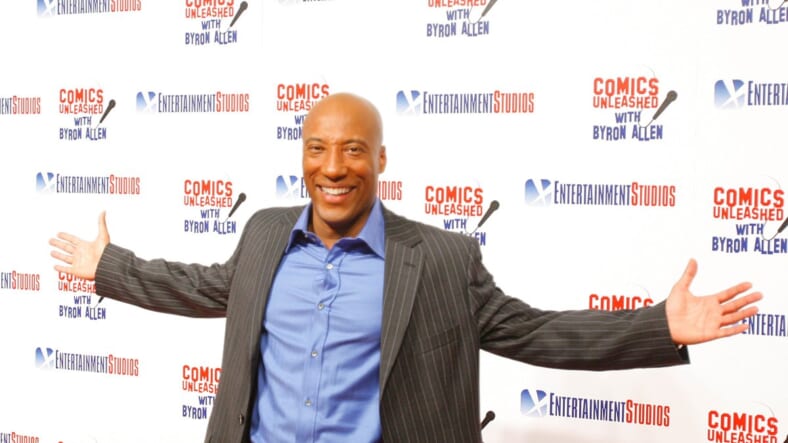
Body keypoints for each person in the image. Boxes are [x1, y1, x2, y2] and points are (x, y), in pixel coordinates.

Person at [49, 92, 762, 443]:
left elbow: (534, 331)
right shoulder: (265, 232)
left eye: (353, 149)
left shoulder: (441, 258)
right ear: (302, 156)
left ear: (381, 159)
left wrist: (658, 326)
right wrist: (107, 265)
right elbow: (201, 286)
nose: (334, 167)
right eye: (318, 149)